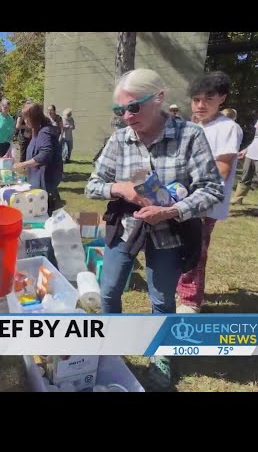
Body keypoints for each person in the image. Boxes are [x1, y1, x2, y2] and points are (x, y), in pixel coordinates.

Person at [86, 68, 223, 388]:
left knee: (161, 299)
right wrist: (121, 190)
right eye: (119, 110)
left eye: (133, 107)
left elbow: (212, 190)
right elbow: (94, 184)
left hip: (171, 230)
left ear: (159, 98)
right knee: (108, 290)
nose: (126, 117)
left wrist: (173, 210)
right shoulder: (120, 139)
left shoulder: (190, 135)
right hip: (126, 227)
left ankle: (161, 353)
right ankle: (113, 346)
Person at [176, 72, 243, 313]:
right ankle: (180, 288)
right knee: (179, 247)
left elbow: (222, 171)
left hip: (205, 203)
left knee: (196, 250)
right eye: (196, 100)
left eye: (208, 99)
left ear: (222, 98)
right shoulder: (192, 126)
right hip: (182, 201)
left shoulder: (228, 128)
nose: (200, 105)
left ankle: (190, 301)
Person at [14, 103, 64, 215]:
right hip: (38, 178)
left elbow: (44, 155)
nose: (25, 121)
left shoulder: (44, 132)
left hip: (46, 180)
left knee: (45, 213)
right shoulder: (37, 130)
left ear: (34, 118)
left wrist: (23, 164)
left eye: (27, 118)